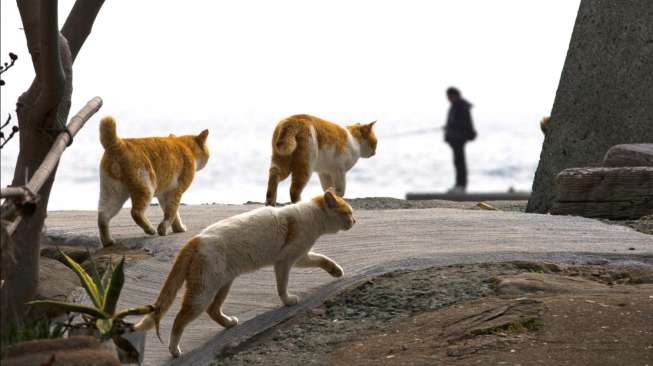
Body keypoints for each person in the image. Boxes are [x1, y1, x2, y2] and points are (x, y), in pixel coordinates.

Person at [443, 87, 476, 193]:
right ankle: (459, 185)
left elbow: (463, 123)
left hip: (459, 137)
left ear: (454, 95)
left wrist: (451, 126)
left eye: (449, 96)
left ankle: (461, 186)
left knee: (459, 162)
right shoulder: (457, 105)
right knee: (458, 162)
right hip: (456, 137)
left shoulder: (460, 106)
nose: (448, 98)